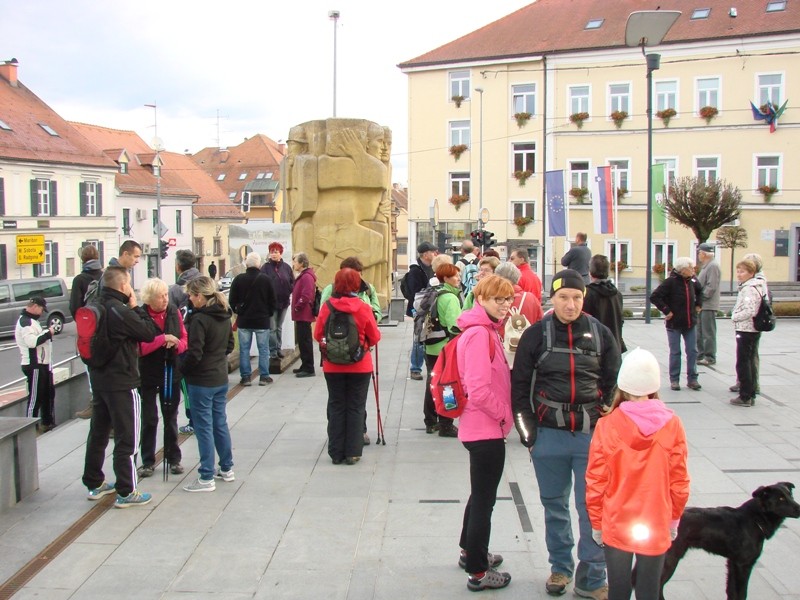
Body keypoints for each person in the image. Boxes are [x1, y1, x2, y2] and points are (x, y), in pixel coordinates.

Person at [512, 269, 621, 599]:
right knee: (554, 506)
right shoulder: (535, 335)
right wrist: (530, 436)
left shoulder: (600, 334)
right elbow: (519, 389)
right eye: (563, 297)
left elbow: (614, 379)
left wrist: (606, 414)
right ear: (552, 298)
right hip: (549, 436)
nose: (570, 304)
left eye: (576, 297)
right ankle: (560, 568)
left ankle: (592, 576)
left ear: (583, 299)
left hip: (591, 437)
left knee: (592, 508)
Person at [586, 348, 690, 600]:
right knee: (649, 591)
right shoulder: (672, 424)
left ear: (622, 385)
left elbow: (596, 480)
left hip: (617, 520)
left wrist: (597, 523)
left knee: (618, 591)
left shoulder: (607, 425)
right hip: (655, 521)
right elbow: (679, 480)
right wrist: (674, 518)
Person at [455, 274, 514, 592]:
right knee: (484, 502)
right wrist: (505, 416)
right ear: (481, 300)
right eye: (498, 300)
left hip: (479, 427)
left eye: (508, 299)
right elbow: (477, 389)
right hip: (485, 429)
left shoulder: (484, 330)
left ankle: (469, 551)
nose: (505, 306)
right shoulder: (480, 334)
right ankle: (478, 571)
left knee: (479, 496)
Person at [82, 267, 158, 507]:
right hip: (122, 381)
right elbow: (148, 333)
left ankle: (94, 483)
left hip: (99, 379)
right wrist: (135, 306)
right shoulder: (120, 311)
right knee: (128, 437)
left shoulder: (95, 305)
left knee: (98, 432)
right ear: (123, 286)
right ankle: (127, 490)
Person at [314, 268, 381, 465]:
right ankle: (353, 452)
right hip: (360, 365)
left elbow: (318, 334)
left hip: (332, 366)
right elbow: (375, 336)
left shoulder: (327, 307)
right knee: (356, 406)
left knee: (336, 405)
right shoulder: (362, 307)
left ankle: (336, 452)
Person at [75, 241, 142, 420]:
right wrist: (133, 309)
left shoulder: (112, 273)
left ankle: (104, 416)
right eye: (135, 256)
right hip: (111, 341)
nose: (137, 261)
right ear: (125, 254)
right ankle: (110, 419)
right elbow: (145, 332)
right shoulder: (112, 275)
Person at [181, 276, 236, 492]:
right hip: (219, 377)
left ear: (201, 296)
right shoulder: (224, 315)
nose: (190, 299)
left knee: (203, 427)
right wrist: (216, 359)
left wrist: (182, 369)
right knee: (219, 422)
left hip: (201, 380)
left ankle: (206, 476)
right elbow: (230, 344)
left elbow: (195, 353)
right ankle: (226, 467)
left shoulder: (200, 320)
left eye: (192, 295)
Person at [137, 278, 188, 478]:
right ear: (150, 299)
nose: (165, 299)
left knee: (171, 416)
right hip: (148, 372)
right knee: (149, 418)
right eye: (161, 296)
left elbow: (184, 338)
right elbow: (139, 348)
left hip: (170, 369)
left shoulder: (173, 312)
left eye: (166, 295)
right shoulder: (140, 316)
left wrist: (177, 345)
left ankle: (173, 458)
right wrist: (162, 340)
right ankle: (148, 461)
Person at [421, 263, 463, 437]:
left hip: (431, 345)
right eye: (455, 276)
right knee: (447, 385)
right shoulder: (451, 298)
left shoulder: (435, 292)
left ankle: (430, 420)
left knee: (432, 383)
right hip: (445, 347)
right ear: (445, 278)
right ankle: (446, 422)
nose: (458, 279)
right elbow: (456, 325)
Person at [649, 257, 703, 392]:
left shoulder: (693, 280)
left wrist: (698, 305)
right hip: (674, 324)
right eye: (690, 268)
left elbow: (700, 291)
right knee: (675, 352)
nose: (693, 270)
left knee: (692, 350)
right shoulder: (670, 282)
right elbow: (654, 297)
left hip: (690, 322)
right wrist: (666, 310)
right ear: (683, 270)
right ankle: (674, 380)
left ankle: (692, 379)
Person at [229, 252, 276, 386]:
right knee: (263, 349)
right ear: (259, 264)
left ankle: (246, 377)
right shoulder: (266, 279)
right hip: (262, 319)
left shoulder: (238, 279)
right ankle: (264, 376)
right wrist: (268, 313)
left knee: (244, 349)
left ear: (246, 265)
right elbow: (273, 300)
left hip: (244, 320)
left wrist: (237, 310)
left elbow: (232, 300)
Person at [71, 244, 104, 419]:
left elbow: (74, 308)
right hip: (105, 328)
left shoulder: (80, 279)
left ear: (82, 259)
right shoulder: (105, 275)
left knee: (90, 367)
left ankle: (95, 404)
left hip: (88, 332)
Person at [730, 259, 767, 407]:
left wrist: (734, 317)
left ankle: (745, 395)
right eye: (738, 271)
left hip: (746, 328)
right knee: (749, 361)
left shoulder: (749, 289)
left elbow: (750, 310)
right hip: (752, 328)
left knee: (744, 362)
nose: (739, 274)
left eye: (742, 271)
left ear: (751, 273)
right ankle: (750, 392)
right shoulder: (756, 286)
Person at [16, 297, 56, 433]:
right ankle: (30, 429)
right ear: (34, 306)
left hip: (42, 364)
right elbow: (32, 342)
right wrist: (48, 333)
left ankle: (47, 422)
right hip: (34, 365)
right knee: (35, 398)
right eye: (41, 309)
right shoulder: (26, 322)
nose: (41, 313)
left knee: (47, 394)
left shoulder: (32, 321)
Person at [403, 241, 437, 380]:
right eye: (433, 252)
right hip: (419, 309)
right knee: (418, 338)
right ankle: (415, 368)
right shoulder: (415, 271)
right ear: (425, 254)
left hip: (432, 307)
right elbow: (414, 292)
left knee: (430, 336)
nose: (435, 254)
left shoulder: (433, 268)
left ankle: (430, 366)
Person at [583, 255, 626, 354]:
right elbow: (621, 321)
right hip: (615, 346)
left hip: (595, 348)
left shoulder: (588, 294)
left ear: (590, 272)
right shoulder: (617, 294)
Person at [261, 242, 295, 360]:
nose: (274, 254)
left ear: (281, 253)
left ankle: (278, 348)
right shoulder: (265, 268)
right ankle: (273, 351)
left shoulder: (286, 267)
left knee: (279, 327)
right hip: (271, 303)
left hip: (284, 302)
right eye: (272, 252)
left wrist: (289, 290)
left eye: (276, 252)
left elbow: (292, 282)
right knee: (272, 328)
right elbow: (263, 284)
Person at [292, 252, 318, 377]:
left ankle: (309, 367)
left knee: (305, 341)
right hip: (301, 314)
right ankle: (305, 364)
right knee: (302, 341)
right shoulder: (304, 275)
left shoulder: (307, 277)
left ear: (302, 263)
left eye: (295, 261)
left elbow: (306, 295)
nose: (294, 264)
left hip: (304, 313)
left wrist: (298, 306)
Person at [494, 262, 543, 326]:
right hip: (528, 334)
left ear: (497, 277)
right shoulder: (531, 298)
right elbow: (540, 321)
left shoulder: (495, 299)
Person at [696, 243, 721, 366]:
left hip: (708, 305)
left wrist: (701, 298)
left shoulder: (713, 266)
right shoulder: (707, 265)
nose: (698, 255)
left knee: (708, 332)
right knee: (700, 331)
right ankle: (701, 354)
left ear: (704, 254)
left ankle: (709, 356)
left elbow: (711, 286)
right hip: (704, 305)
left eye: (699, 253)